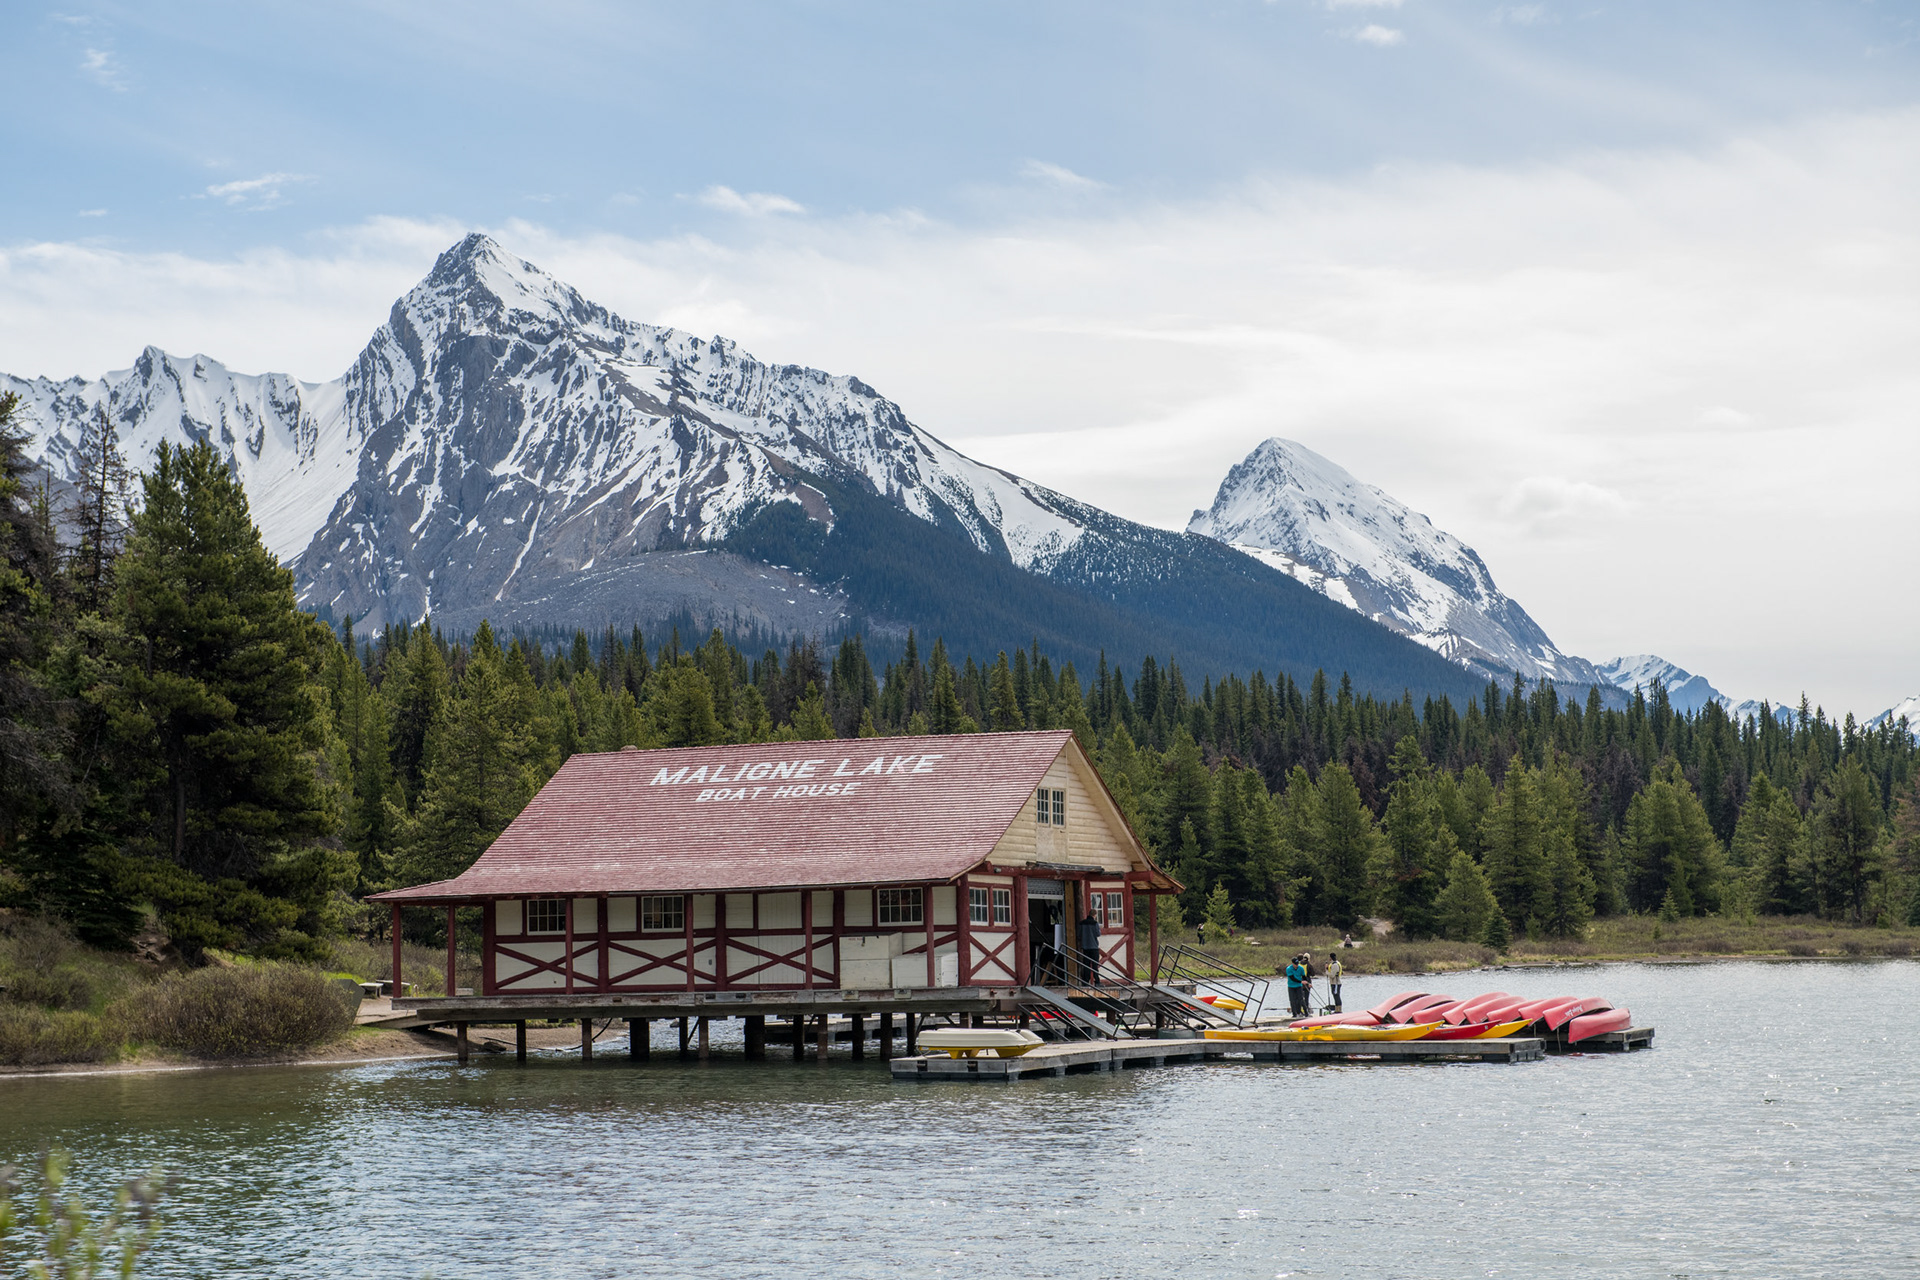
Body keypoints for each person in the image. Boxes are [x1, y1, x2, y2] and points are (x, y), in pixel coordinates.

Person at [1076, 908, 1101, 984]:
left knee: (1086, 965)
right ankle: (1097, 981)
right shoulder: (1095, 923)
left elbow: (1079, 935)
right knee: (1094, 965)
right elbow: (1098, 934)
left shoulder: (1082, 923)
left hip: (1085, 947)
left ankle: (1085, 981)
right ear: (1094, 915)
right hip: (1094, 947)